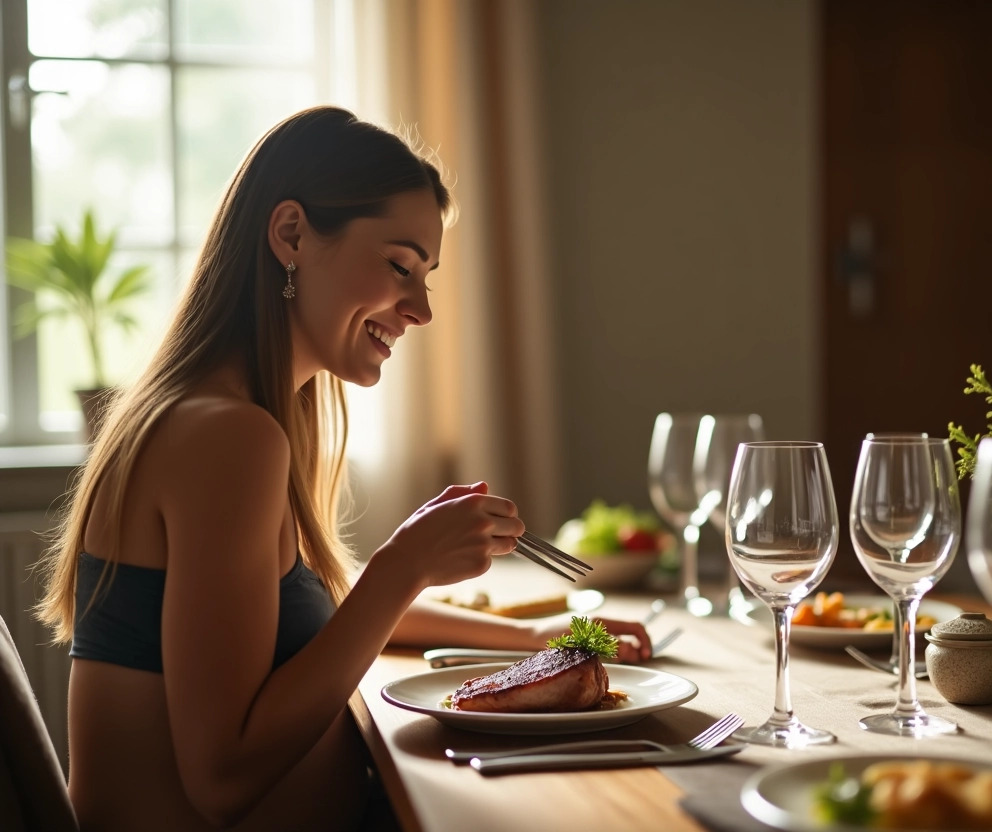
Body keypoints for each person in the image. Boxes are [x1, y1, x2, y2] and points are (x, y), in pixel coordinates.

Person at [34, 105, 652, 832]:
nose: (420, 309)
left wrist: (538, 643)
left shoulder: (222, 416)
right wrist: (403, 564)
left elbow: (320, 620)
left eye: (426, 276)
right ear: (291, 234)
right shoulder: (227, 438)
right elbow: (222, 780)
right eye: (400, 266)